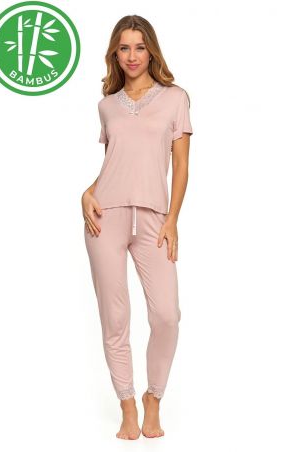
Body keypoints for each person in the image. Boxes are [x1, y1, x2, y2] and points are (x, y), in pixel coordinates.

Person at [82, 14, 193, 440]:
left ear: (152, 51)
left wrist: (172, 220)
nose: (132, 56)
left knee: (167, 315)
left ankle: (153, 397)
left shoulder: (175, 98)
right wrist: (87, 192)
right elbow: (116, 163)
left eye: (140, 47)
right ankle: (127, 404)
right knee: (115, 318)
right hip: (104, 217)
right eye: (124, 48)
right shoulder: (107, 105)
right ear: (115, 53)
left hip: (153, 219)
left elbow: (180, 165)